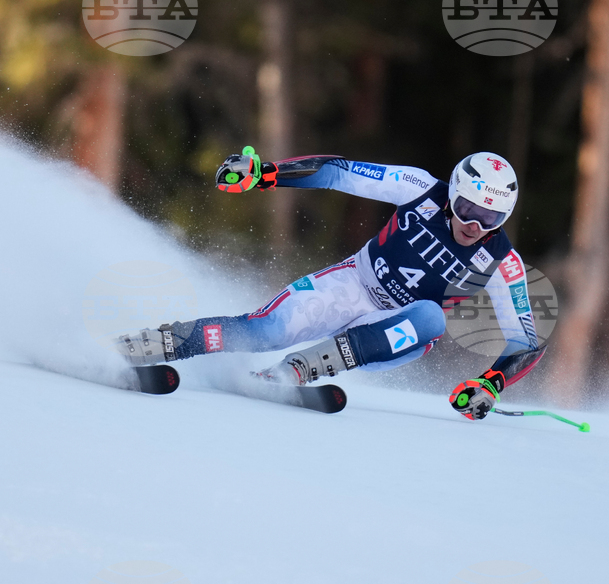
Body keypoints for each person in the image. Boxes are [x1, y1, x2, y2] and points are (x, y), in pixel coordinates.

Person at [115, 149, 545, 420]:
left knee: (431, 316)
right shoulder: (417, 188)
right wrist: (266, 173)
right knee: (266, 331)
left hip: (396, 332)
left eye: (490, 218)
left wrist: (490, 383)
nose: (474, 224)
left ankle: (297, 370)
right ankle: (154, 343)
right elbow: (338, 171)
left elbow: (526, 339)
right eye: (468, 208)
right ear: (452, 193)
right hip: (353, 283)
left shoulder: (504, 262)